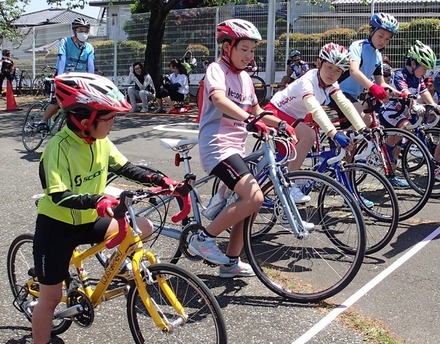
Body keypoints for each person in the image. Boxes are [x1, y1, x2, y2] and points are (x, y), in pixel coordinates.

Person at [31, 73, 180, 344]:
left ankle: (117, 269)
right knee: (50, 299)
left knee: (143, 227)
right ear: (84, 119)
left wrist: (161, 180)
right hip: (57, 228)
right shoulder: (57, 148)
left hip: (89, 220)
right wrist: (96, 201)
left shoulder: (100, 141)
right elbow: (58, 196)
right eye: (109, 118)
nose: (114, 123)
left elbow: (126, 167)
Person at [188, 19, 295, 278]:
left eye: (252, 51)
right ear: (227, 48)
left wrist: (281, 123)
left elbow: (258, 111)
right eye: (243, 49)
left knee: (248, 203)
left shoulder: (246, 78)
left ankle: (231, 262)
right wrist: (249, 120)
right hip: (217, 146)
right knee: (254, 197)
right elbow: (219, 99)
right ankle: (203, 238)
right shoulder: (217, 70)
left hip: (236, 147)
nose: (249, 55)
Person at [265, 43, 367, 202]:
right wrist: (333, 133)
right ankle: (289, 185)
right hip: (276, 111)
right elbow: (314, 107)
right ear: (319, 63)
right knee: (309, 136)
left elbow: (344, 103)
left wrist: (362, 128)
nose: (332, 74)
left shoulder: (331, 84)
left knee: (290, 157)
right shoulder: (309, 80)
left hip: (296, 117)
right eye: (329, 67)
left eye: (338, 70)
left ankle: (287, 185)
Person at [378, 40, 440, 182]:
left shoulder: (418, 79)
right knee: (405, 129)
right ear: (413, 64)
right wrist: (415, 106)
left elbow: (425, 94)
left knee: (398, 148)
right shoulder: (400, 75)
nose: (425, 72)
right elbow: (405, 93)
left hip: (403, 114)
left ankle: (391, 172)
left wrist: (435, 107)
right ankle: (385, 153)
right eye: (424, 68)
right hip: (391, 113)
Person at [329, 13, 401, 129]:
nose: (383, 41)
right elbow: (354, 71)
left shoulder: (378, 56)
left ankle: (342, 144)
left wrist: (401, 94)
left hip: (352, 97)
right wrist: (372, 87)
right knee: (365, 120)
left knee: (364, 127)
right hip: (338, 92)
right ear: (371, 31)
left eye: (387, 39)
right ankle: (342, 143)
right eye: (380, 36)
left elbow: (381, 83)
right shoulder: (358, 46)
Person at [37, 17, 95, 132]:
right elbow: (62, 59)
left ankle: (65, 119)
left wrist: (92, 80)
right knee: (58, 101)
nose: (83, 33)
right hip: (63, 76)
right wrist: (59, 77)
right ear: (74, 31)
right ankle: (42, 121)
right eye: (80, 30)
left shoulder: (89, 47)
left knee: (80, 103)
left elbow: (91, 65)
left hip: (79, 79)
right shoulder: (65, 41)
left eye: (86, 31)